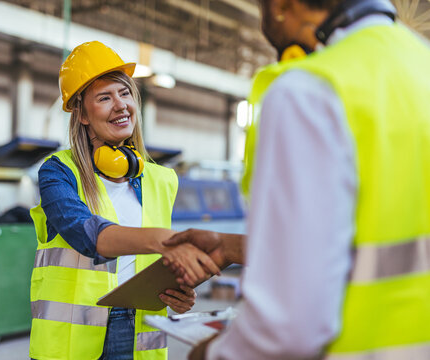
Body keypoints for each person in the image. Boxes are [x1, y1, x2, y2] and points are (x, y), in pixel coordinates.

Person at [165, 0, 430, 358]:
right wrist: (232, 246)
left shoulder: (311, 90)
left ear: (281, 7)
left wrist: (211, 355)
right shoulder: (420, 65)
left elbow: (288, 328)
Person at [29, 41, 220, 360]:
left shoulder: (162, 179)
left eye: (125, 93)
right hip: (70, 343)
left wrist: (177, 292)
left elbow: (149, 267)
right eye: (104, 97)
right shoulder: (59, 172)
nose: (120, 105)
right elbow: (86, 233)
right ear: (82, 113)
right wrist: (165, 241)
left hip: (139, 332)